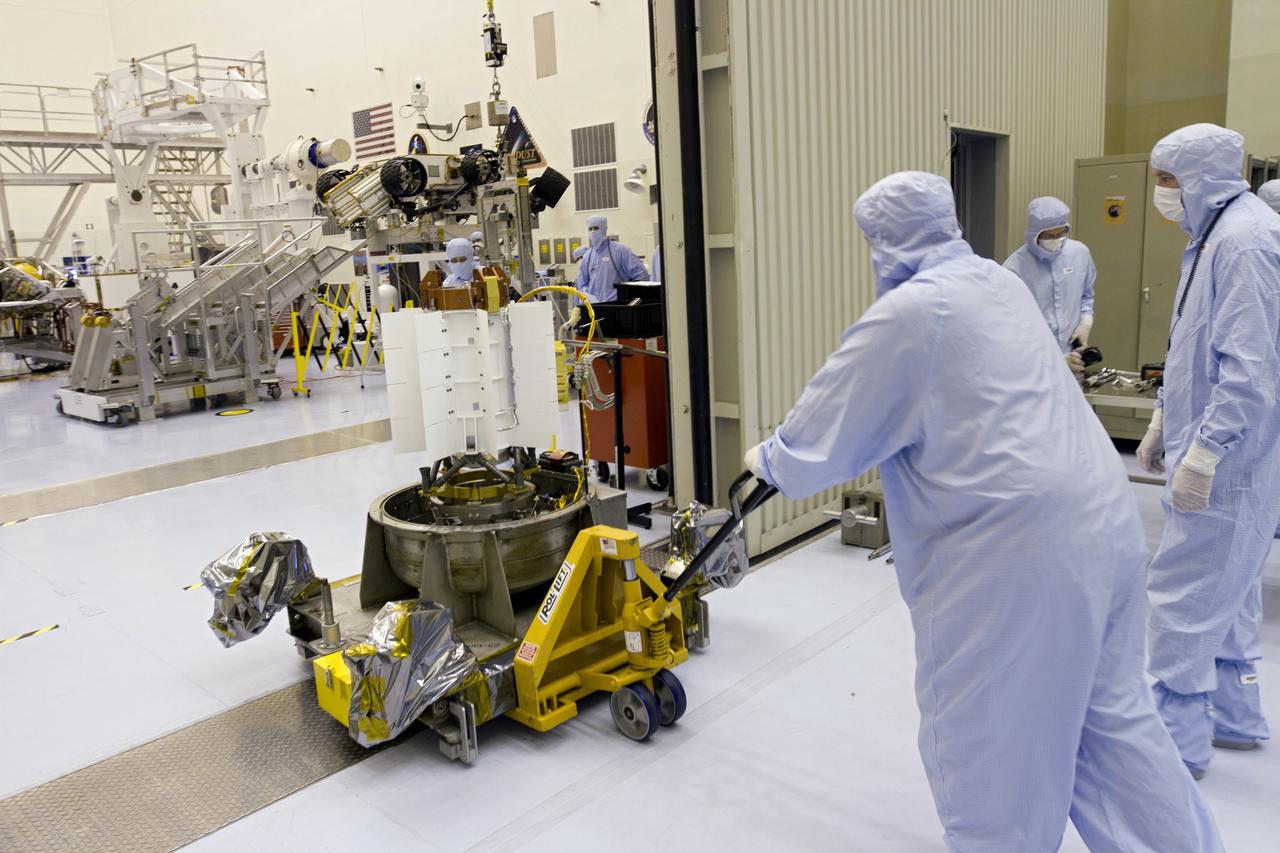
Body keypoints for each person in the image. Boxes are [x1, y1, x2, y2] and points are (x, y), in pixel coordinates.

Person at [745, 171, 1222, 851]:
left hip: (1018, 555)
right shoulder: (999, 282)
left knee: (996, 750)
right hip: (1103, 522)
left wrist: (767, 459)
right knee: (1111, 725)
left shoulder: (913, 313)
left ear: (886, 241)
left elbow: (817, 444)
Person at [1134, 123, 1280, 778]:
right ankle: (1239, 716)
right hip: (1217, 447)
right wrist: (1163, 419)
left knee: (1184, 595)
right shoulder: (1215, 235)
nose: (1162, 193)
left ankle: (1177, 743)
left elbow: (1249, 370)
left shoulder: (1244, 241)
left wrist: (1205, 453)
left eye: (1169, 180)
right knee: (1230, 596)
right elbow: (1192, 343)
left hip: (1230, 462)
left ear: (1203, 178)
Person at [1002, 197, 1097, 377]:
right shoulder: (1015, 269)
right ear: (1034, 234)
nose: (1055, 240)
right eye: (1048, 236)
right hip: (1033, 369)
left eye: (1060, 234)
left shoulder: (1079, 254)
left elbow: (1086, 295)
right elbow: (1012, 329)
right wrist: (1055, 360)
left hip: (1073, 363)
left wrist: (1085, 323)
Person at [573, 214, 647, 302]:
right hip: (593, 307)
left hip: (615, 306)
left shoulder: (620, 251)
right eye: (590, 229)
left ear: (604, 229)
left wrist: (628, 297)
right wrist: (587, 295)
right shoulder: (587, 256)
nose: (593, 232)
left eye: (596, 228)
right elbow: (581, 283)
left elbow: (642, 276)